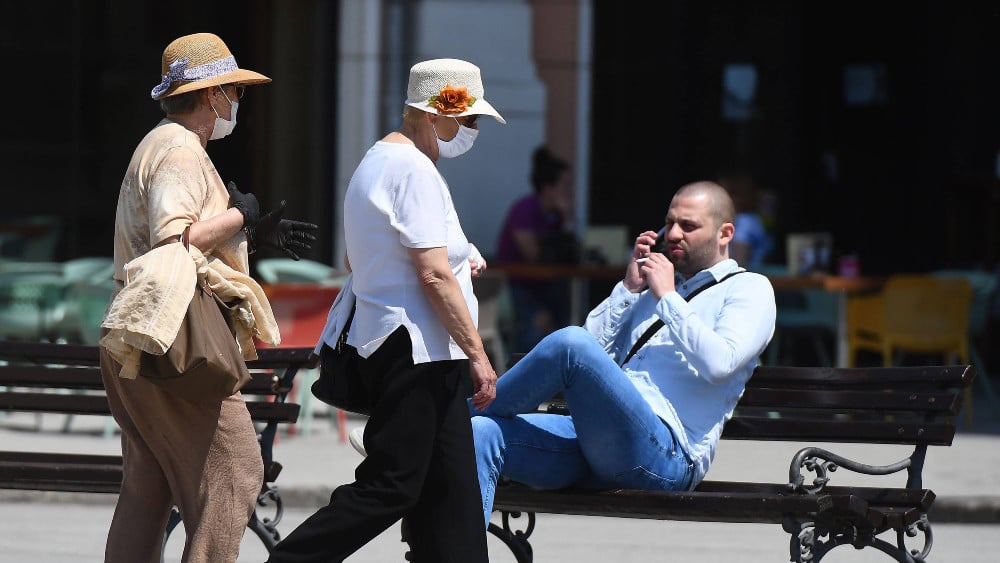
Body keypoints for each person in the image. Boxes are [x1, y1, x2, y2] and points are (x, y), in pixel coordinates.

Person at [266, 58, 505, 563]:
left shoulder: (378, 160)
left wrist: (460, 257)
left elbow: (370, 257)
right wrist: (479, 355)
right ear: (436, 114)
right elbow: (433, 274)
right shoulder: (413, 170)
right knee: (392, 486)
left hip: (410, 347)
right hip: (414, 349)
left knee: (453, 497)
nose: (472, 132)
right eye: (469, 119)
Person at [98, 32, 318, 563]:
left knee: (148, 489)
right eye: (234, 93)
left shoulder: (155, 142)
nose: (237, 103)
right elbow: (173, 239)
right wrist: (241, 216)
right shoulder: (179, 148)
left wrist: (247, 232)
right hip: (174, 340)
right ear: (211, 94)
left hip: (135, 334)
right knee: (240, 471)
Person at [470, 181, 776, 527]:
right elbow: (588, 354)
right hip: (595, 440)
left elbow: (720, 364)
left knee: (570, 343)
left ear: (725, 234)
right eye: (669, 223)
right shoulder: (650, 289)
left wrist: (667, 298)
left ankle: (445, 423)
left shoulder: (749, 289)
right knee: (480, 432)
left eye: (688, 226)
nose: (674, 234)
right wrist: (629, 289)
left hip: (666, 455)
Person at [495, 145, 578, 352]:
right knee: (540, 324)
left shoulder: (556, 216)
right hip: (514, 286)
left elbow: (569, 255)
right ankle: (521, 370)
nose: (569, 193)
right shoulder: (525, 209)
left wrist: (567, 221)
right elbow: (533, 255)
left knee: (566, 322)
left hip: (544, 286)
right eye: (565, 186)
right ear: (548, 188)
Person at [717, 171, 774, 270]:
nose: (717, 202)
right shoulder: (729, 221)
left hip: (747, 279)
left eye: (725, 195)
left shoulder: (746, 221)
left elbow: (739, 263)